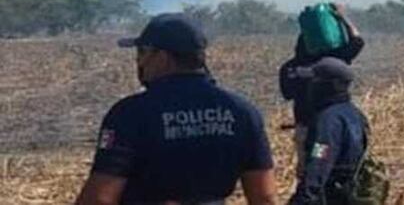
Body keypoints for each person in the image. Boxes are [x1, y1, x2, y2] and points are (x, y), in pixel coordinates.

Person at [75, 13, 276, 205]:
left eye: (142, 52)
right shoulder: (242, 111)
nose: (138, 61)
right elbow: (264, 197)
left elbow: (100, 198)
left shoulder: (130, 114)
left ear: (163, 57)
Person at [280, 3, 365, 174]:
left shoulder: (291, 68)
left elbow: (287, 93)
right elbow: (357, 40)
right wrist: (342, 17)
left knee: (314, 168)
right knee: (334, 167)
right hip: (334, 130)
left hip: (310, 131)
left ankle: (310, 194)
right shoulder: (336, 60)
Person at [288, 57, 372, 205]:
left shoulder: (328, 121)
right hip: (351, 193)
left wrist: (302, 199)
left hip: (332, 197)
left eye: (312, 81)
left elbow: (319, 160)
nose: (309, 86)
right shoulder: (355, 114)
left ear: (328, 86)